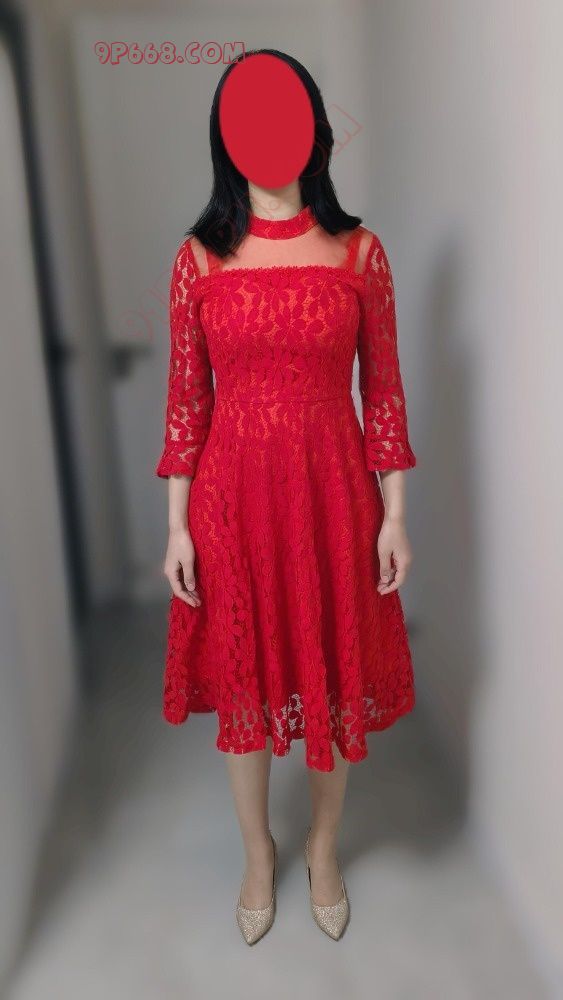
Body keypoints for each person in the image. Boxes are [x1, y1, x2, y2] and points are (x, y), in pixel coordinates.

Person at [156, 49, 417, 944]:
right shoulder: (199, 259)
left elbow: (384, 392)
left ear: (315, 131)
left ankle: (322, 847)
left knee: (330, 679)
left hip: (332, 494)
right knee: (247, 685)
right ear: (227, 139)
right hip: (230, 502)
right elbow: (185, 405)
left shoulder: (359, 253)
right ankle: (258, 854)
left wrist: (395, 515)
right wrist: (176, 528)